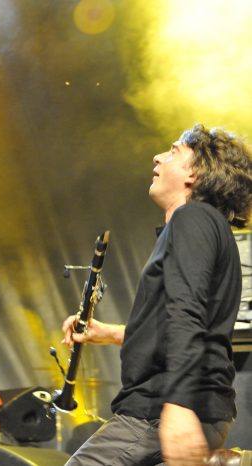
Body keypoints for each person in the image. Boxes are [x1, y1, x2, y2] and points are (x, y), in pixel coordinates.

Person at [61, 124, 252, 466]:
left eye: (174, 151)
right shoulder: (207, 227)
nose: (158, 157)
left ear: (194, 173)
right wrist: (107, 333)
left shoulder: (192, 217)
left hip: (160, 408)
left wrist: (178, 405)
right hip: (192, 408)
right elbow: (185, 324)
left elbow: (187, 313)